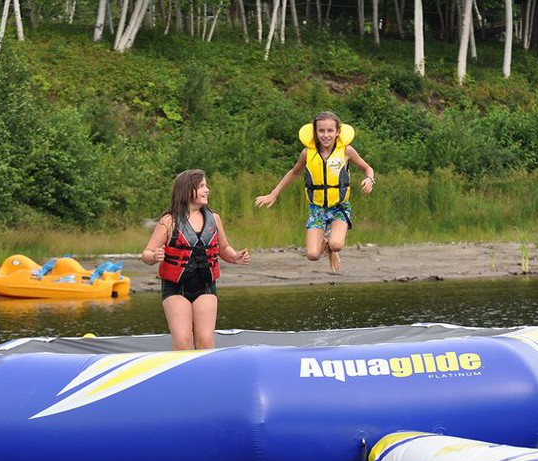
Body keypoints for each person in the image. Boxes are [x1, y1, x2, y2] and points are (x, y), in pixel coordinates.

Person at [142, 169, 250, 350]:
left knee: (205, 341)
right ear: (187, 190)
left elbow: (223, 248)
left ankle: (206, 377)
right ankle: (181, 377)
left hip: (206, 286)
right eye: (201, 186)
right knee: (183, 341)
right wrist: (154, 256)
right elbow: (146, 254)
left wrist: (235, 256)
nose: (207, 190)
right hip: (176, 288)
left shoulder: (214, 218)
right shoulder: (169, 221)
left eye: (206, 185)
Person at [255, 111, 375, 272]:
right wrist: (273, 194)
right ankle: (325, 244)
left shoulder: (346, 151)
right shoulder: (307, 153)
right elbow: (293, 172)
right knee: (312, 255)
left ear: (338, 131)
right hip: (317, 209)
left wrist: (369, 179)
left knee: (337, 244)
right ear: (315, 132)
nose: (326, 135)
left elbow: (367, 168)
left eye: (330, 131)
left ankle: (332, 248)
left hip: (339, 207)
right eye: (321, 131)